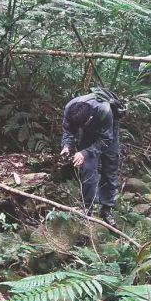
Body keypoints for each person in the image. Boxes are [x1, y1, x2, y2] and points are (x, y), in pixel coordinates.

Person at [60, 92, 120, 227]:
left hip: (108, 131)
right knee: (87, 168)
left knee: (110, 168)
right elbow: (68, 130)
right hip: (88, 135)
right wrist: (67, 145)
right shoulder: (70, 108)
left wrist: (85, 152)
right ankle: (88, 207)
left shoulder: (105, 111)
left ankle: (106, 209)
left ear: (90, 118)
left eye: (82, 125)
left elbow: (106, 140)